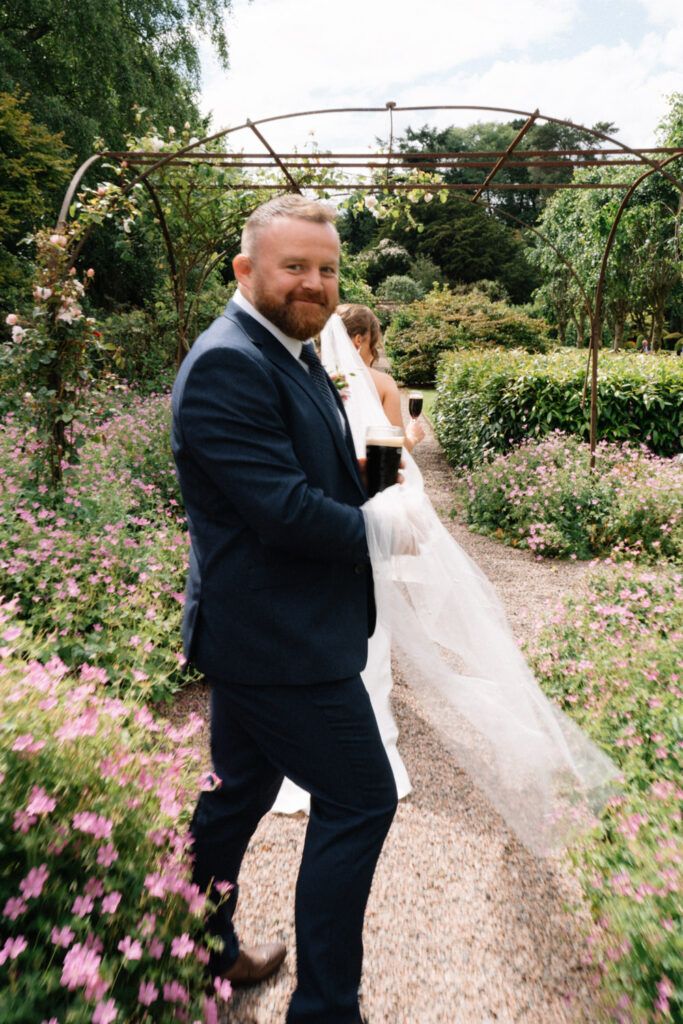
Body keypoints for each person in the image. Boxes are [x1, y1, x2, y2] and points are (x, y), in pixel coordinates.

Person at [171, 194, 421, 1024]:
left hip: (266, 629)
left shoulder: (296, 348)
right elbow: (281, 509)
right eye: (294, 267)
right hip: (277, 640)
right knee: (361, 798)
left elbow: (325, 469)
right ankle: (323, 1010)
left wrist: (381, 479)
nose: (313, 283)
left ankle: (198, 948)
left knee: (238, 790)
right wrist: (380, 531)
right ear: (246, 270)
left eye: (326, 269)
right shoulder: (227, 361)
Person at [272, 305, 421, 816]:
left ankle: (316, 747)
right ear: (362, 338)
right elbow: (396, 450)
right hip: (366, 508)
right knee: (367, 622)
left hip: (326, 510)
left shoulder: (308, 381)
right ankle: (367, 740)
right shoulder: (378, 381)